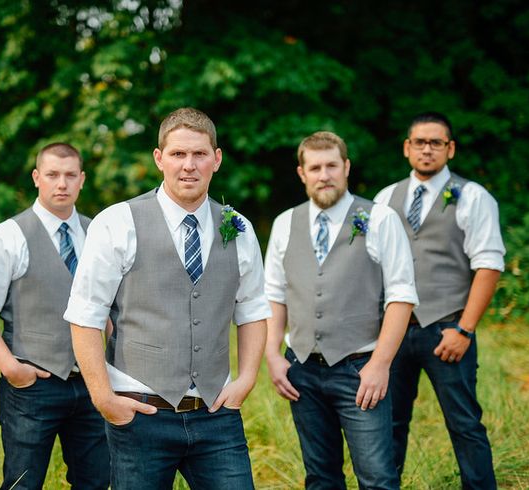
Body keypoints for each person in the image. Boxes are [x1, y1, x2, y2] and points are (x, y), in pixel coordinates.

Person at [64, 107, 270, 490]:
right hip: (140, 412)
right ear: (159, 159)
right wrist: (104, 398)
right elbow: (86, 314)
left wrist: (246, 379)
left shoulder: (238, 228)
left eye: (199, 154)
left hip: (216, 414)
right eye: (178, 154)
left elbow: (254, 309)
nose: (188, 165)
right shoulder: (118, 221)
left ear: (216, 159)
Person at [265, 131, 418, 489]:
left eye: (332, 165)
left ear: (346, 167)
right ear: (302, 173)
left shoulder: (380, 219)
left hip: (360, 368)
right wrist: (273, 354)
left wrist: (379, 365)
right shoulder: (285, 223)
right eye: (315, 167)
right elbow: (274, 293)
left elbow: (402, 296)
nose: (324, 175)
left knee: (378, 478)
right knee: (320, 478)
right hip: (301, 370)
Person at [0, 143, 109, 489]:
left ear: (82, 179)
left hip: (93, 385)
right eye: (53, 175)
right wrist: (12, 369)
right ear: (36, 178)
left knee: (97, 481)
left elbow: (112, 307)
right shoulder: (7, 236)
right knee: (23, 483)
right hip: (32, 387)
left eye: (70, 175)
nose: (62, 183)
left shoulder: (99, 234)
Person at [374, 112, 504, 489]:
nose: (426, 149)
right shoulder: (385, 199)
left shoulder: (474, 196)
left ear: (450, 149)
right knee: (389, 423)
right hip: (394, 334)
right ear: (406, 148)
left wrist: (464, 329)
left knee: (464, 423)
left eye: (436, 143)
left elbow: (489, 265)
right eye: (419, 142)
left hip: (448, 331)